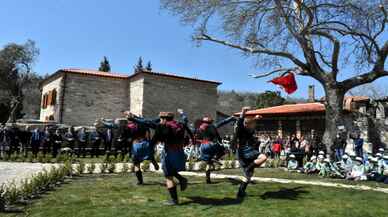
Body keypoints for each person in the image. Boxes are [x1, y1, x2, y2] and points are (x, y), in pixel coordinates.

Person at [132, 111, 193, 205]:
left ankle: (174, 200)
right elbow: (189, 130)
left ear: (163, 119)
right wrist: (193, 140)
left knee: (168, 176)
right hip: (180, 152)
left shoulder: (162, 126)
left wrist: (150, 150)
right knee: (170, 171)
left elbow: (154, 139)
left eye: (160, 119)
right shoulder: (180, 125)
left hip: (169, 152)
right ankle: (181, 179)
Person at [234, 107, 267, 199]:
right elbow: (241, 121)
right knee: (263, 157)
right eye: (253, 124)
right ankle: (249, 167)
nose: (254, 125)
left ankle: (241, 191)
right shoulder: (241, 129)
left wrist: (256, 118)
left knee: (249, 175)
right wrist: (243, 111)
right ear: (248, 124)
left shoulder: (248, 129)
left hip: (243, 152)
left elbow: (249, 122)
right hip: (245, 150)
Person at [196, 115, 236, 183]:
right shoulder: (212, 126)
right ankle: (215, 158)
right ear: (210, 121)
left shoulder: (200, 128)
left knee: (209, 163)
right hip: (211, 144)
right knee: (224, 150)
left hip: (203, 146)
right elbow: (223, 122)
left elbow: (198, 137)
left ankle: (208, 179)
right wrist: (231, 118)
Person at [125, 113, 160, 185]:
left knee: (136, 164)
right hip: (145, 143)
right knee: (149, 154)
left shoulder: (129, 126)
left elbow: (128, 137)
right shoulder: (144, 124)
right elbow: (148, 133)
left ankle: (140, 181)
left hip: (136, 145)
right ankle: (153, 162)